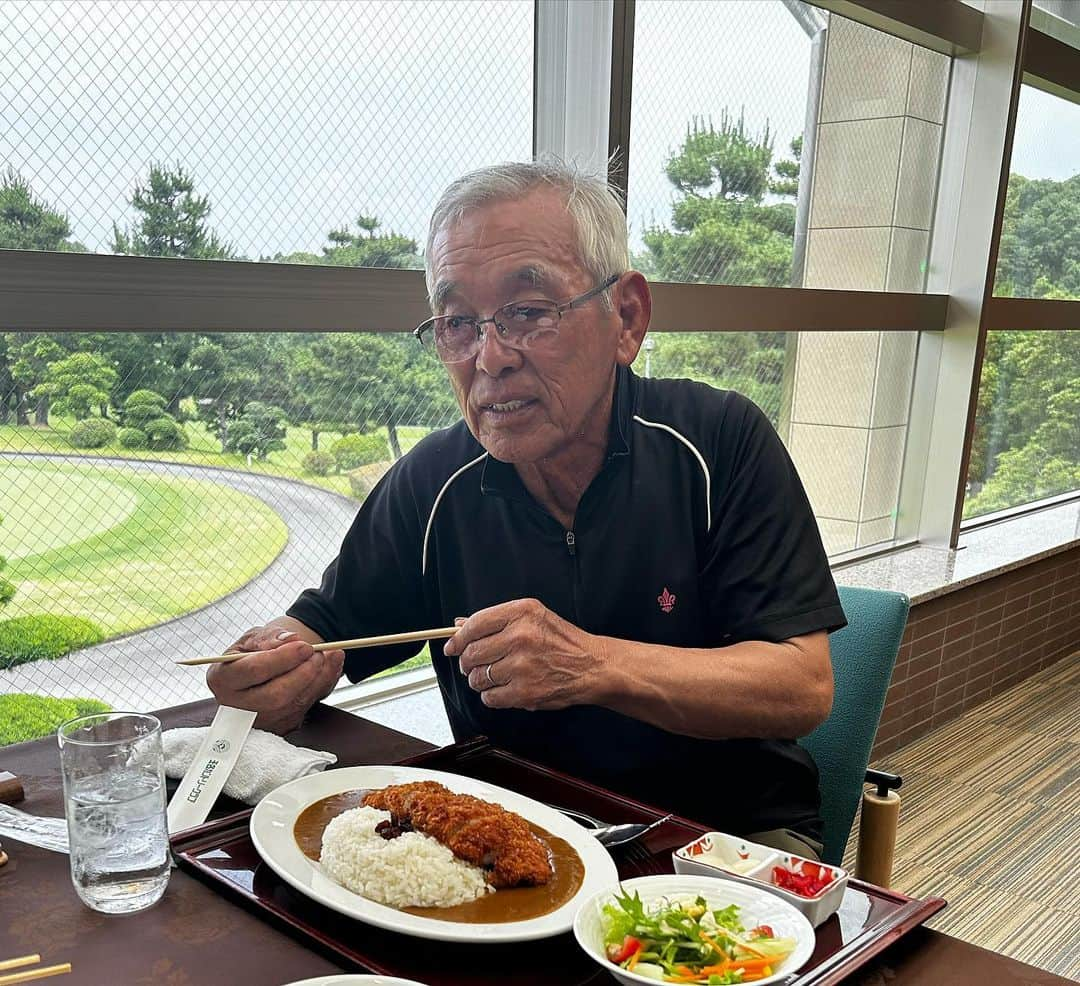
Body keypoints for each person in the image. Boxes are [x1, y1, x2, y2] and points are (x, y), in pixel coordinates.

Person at [208, 159, 846, 858]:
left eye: (528, 312)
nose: (490, 358)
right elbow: (325, 629)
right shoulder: (434, 482)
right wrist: (281, 668)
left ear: (625, 317)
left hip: (722, 834)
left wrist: (591, 665)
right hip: (513, 834)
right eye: (457, 322)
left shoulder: (717, 443)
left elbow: (802, 685)